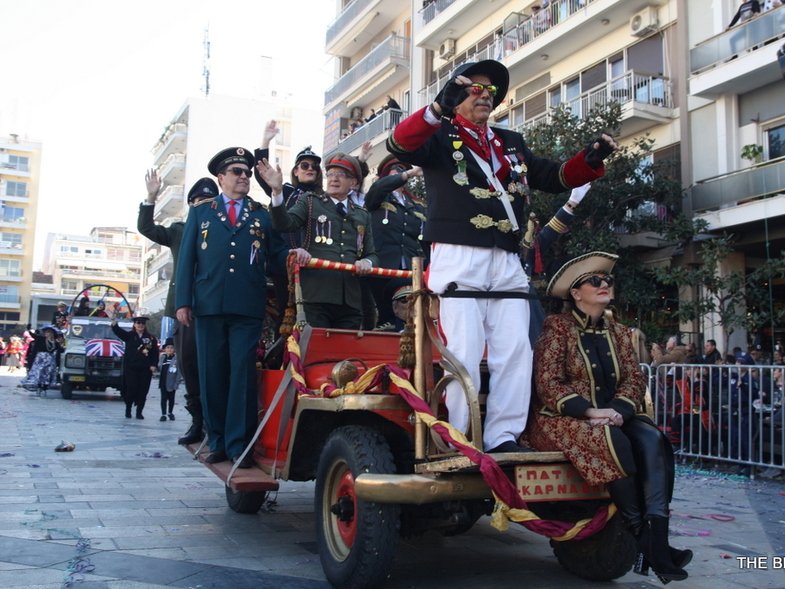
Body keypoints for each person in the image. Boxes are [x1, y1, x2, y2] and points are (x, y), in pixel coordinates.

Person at [386, 59, 616, 453]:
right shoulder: (439, 135)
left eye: (490, 91)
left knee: (515, 351)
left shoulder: (510, 143)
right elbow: (399, 144)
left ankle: (502, 437)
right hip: (460, 255)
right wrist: (437, 109)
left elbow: (556, 176)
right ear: (456, 96)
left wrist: (590, 159)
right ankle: (461, 436)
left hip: (507, 256)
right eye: (474, 89)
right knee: (464, 351)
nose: (484, 96)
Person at [528, 251, 692, 582]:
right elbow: (548, 384)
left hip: (611, 416)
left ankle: (657, 539)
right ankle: (643, 538)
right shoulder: (556, 327)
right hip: (559, 420)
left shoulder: (617, 330)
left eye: (608, 281)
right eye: (595, 281)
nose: (604, 284)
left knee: (654, 439)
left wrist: (617, 411)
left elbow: (634, 378)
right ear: (576, 293)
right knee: (612, 440)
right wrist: (590, 411)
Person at [175, 147, 288, 468]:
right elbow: (187, 260)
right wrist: (183, 301)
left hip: (247, 305)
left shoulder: (261, 212)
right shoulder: (202, 212)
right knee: (212, 375)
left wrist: (295, 257)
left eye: (247, 173)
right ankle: (219, 440)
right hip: (209, 304)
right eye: (236, 172)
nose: (243, 177)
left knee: (241, 375)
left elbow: (277, 253)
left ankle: (239, 444)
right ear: (220, 177)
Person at [139, 171, 218, 445]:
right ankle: (198, 421)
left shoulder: (224, 228)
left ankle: (214, 423)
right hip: (185, 309)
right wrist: (151, 196)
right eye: (199, 201)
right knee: (188, 364)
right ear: (191, 204)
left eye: (210, 200)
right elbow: (147, 230)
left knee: (214, 367)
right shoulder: (179, 231)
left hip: (215, 307)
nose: (204, 205)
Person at [259, 153, 379, 330]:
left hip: (350, 300)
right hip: (316, 295)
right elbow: (284, 224)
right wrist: (277, 193)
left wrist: (367, 262)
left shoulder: (362, 214)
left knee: (346, 355)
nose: (334, 179)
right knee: (316, 353)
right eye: (331, 174)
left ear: (353, 183)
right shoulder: (310, 202)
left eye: (342, 174)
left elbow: (372, 254)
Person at [364, 155, 426, 328]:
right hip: (382, 267)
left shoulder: (416, 205)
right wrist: (408, 174)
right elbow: (377, 189)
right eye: (396, 172)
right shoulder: (377, 198)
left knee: (409, 317)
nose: (401, 174)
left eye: (403, 171)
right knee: (384, 319)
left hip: (409, 268)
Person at [112, 316, 158, 419]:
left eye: (142, 323)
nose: (140, 325)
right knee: (131, 389)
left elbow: (155, 353)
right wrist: (114, 321)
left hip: (145, 369)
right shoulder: (129, 335)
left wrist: (154, 365)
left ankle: (139, 412)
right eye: (138, 322)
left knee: (143, 391)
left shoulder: (150, 338)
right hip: (131, 368)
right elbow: (118, 331)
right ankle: (128, 409)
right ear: (134, 324)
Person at [19, 325, 63, 395]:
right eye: (46, 332)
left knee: (48, 374)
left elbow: (60, 350)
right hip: (40, 359)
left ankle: (45, 388)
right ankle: (39, 387)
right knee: (39, 373)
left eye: (49, 332)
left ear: (53, 334)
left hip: (50, 360)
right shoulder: (41, 339)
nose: (47, 334)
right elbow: (34, 336)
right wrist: (29, 329)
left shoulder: (55, 343)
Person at [157, 337, 180, 422]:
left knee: (171, 399)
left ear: (174, 349)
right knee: (163, 398)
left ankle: (170, 412)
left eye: (171, 347)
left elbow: (178, 373)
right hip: (163, 382)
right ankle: (163, 414)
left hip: (171, 383)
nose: (169, 349)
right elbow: (159, 367)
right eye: (167, 348)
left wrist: (176, 384)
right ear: (165, 349)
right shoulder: (163, 358)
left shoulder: (176, 359)